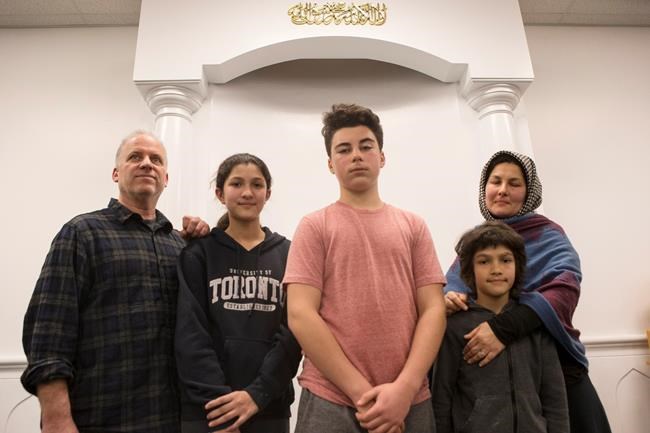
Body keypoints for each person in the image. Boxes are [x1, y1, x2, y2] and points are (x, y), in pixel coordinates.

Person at [21, 130, 210, 433]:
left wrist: (202, 242)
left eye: (156, 159)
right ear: (116, 173)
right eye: (135, 157)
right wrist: (56, 419)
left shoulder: (180, 245)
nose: (147, 163)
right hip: (101, 417)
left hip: (172, 419)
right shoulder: (82, 233)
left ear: (165, 178)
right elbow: (48, 331)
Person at [285, 103, 447, 433]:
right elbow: (300, 314)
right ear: (330, 164)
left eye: (366, 146)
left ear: (382, 157)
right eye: (344, 149)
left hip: (409, 399)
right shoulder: (315, 226)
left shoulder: (413, 226)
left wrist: (405, 389)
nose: (356, 155)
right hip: (331, 398)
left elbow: (433, 309)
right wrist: (363, 395)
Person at [444, 150, 611, 433]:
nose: (502, 190)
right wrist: (448, 300)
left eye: (514, 183)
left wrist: (504, 328)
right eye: (495, 181)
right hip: (494, 384)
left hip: (557, 373)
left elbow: (564, 290)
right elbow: (453, 286)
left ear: (529, 192)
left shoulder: (548, 236)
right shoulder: (475, 243)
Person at [174, 153, 301, 433]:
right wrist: (220, 404)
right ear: (220, 193)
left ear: (268, 193)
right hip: (208, 411)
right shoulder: (198, 253)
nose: (247, 192)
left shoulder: (289, 254)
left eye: (257, 184)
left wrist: (258, 394)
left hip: (268, 406)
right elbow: (190, 334)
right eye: (236, 184)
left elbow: (293, 333)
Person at [432, 221, 569, 433]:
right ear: (469, 270)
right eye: (484, 261)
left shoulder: (535, 324)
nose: (496, 269)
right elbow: (441, 398)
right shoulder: (454, 326)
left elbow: (555, 399)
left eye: (505, 260)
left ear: (518, 266)